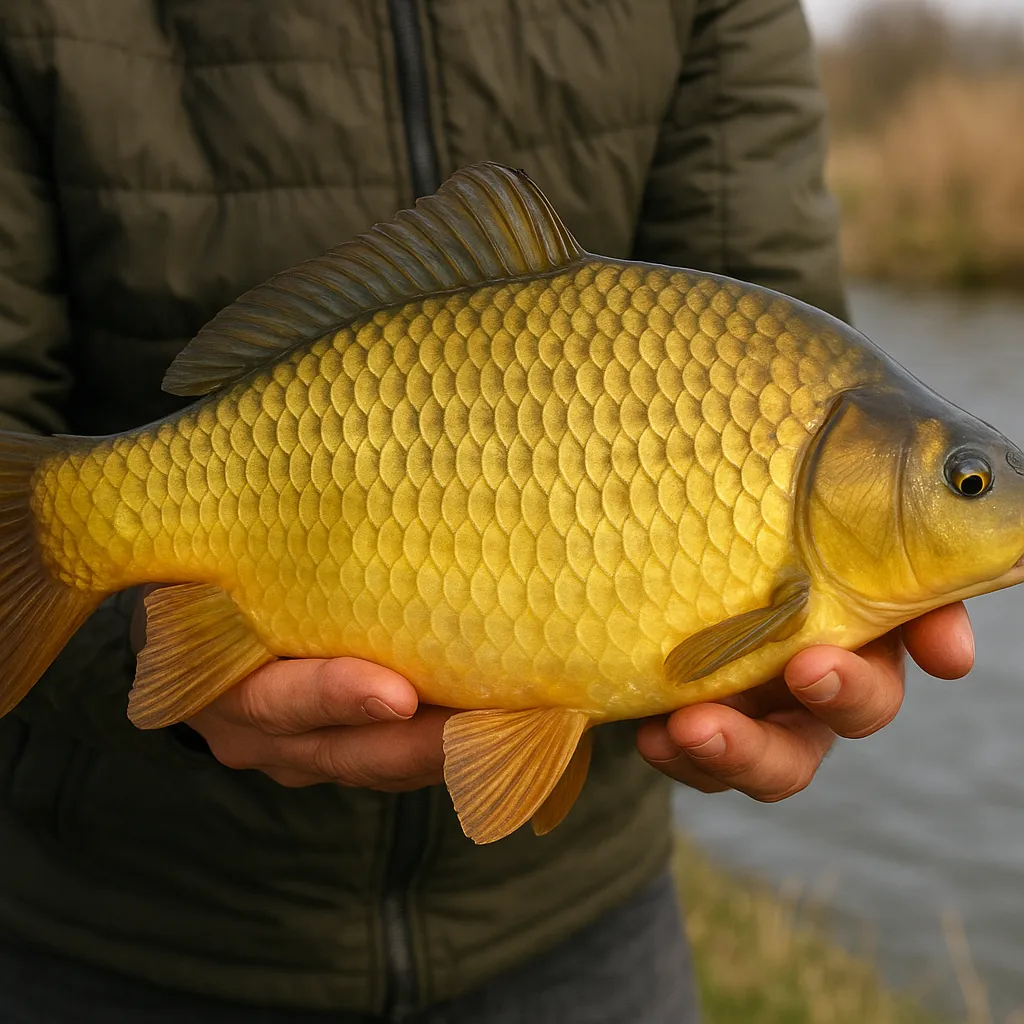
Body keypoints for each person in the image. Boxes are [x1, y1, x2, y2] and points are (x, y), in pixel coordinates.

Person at [0, 1, 974, 1021]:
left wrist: (777, 695)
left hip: (577, 927)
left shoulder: (791, 381)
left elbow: (759, 291)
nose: (980, 497)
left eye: (966, 482)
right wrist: (143, 650)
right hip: (119, 922)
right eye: (967, 481)